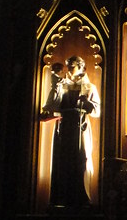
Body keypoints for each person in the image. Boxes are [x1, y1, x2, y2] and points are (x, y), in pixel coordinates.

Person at [41, 55, 100, 208]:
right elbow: (50, 106)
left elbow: (97, 111)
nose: (69, 69)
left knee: (81, 158)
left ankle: (82, 197)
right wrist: (55, 86)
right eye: (68, 66)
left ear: (81, 67)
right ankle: (61, 197)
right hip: (64, 126)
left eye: (72, 65)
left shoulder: (89, 87)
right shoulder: (62, 85)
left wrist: (87, 103)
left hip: (81, 126)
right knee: (62, 161)